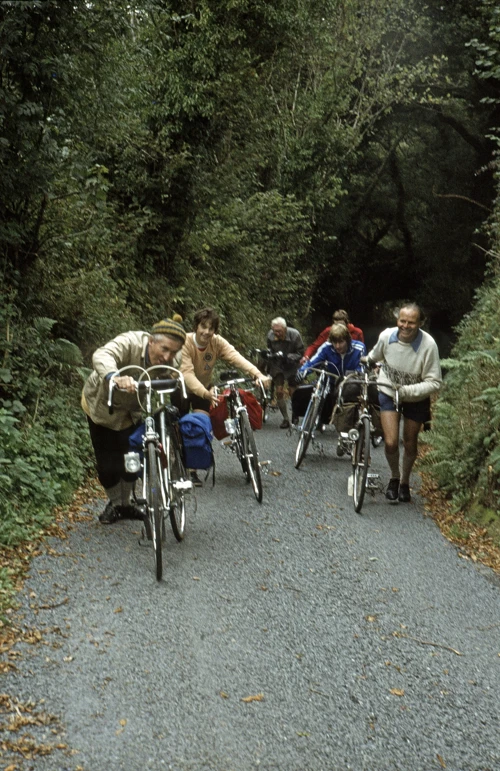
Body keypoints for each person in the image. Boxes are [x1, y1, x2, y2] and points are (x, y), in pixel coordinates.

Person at [82, 316, 187, 524]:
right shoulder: (130, 342)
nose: (168, 356)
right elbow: (103, 354)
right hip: (103, 406)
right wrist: (114, 376)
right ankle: (116, 504)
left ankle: (126, 504)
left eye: (173, 352)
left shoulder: (173, 358)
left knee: (132, 459)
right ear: (151, 341)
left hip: (133, 410)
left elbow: (175, 376)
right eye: (164, 349)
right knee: (107, 465)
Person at [364, 303, 442, 504]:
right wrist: (367, 360)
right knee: (390, 442)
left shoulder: (428, 345)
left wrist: (408, 391)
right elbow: (375, 355)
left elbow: (435, 381)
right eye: (402, 321)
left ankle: (405, 482)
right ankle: (394, 477)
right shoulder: (387, 336)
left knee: (410, 442)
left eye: (411, 322)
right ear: (397, 320)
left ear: (420, 323)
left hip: (415, 398)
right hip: (388, 392)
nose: (405, 326)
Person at [265, 316, 305, 428]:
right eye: (275, 331)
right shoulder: (270, 335)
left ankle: (295, 415)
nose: (276, 333)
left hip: (292, 365)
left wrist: (290, 357)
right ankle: (286, 419)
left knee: (293, 391)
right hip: (278, 364)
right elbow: (269, 349)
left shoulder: (295, 335)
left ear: (285, 329)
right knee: (279, 390)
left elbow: (301, 352)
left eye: (279, 331)